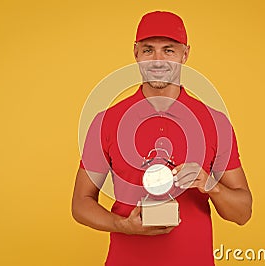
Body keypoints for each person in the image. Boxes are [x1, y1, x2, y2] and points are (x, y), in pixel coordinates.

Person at [72, 11, 252, 266]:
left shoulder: (215, 122)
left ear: (185, 54)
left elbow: (243, 212)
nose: (158, 60)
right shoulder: (106, 121)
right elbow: (80, 203)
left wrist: (210, 184)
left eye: (169, 50)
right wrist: (123, 225)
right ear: (135, 53)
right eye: (148, 50)